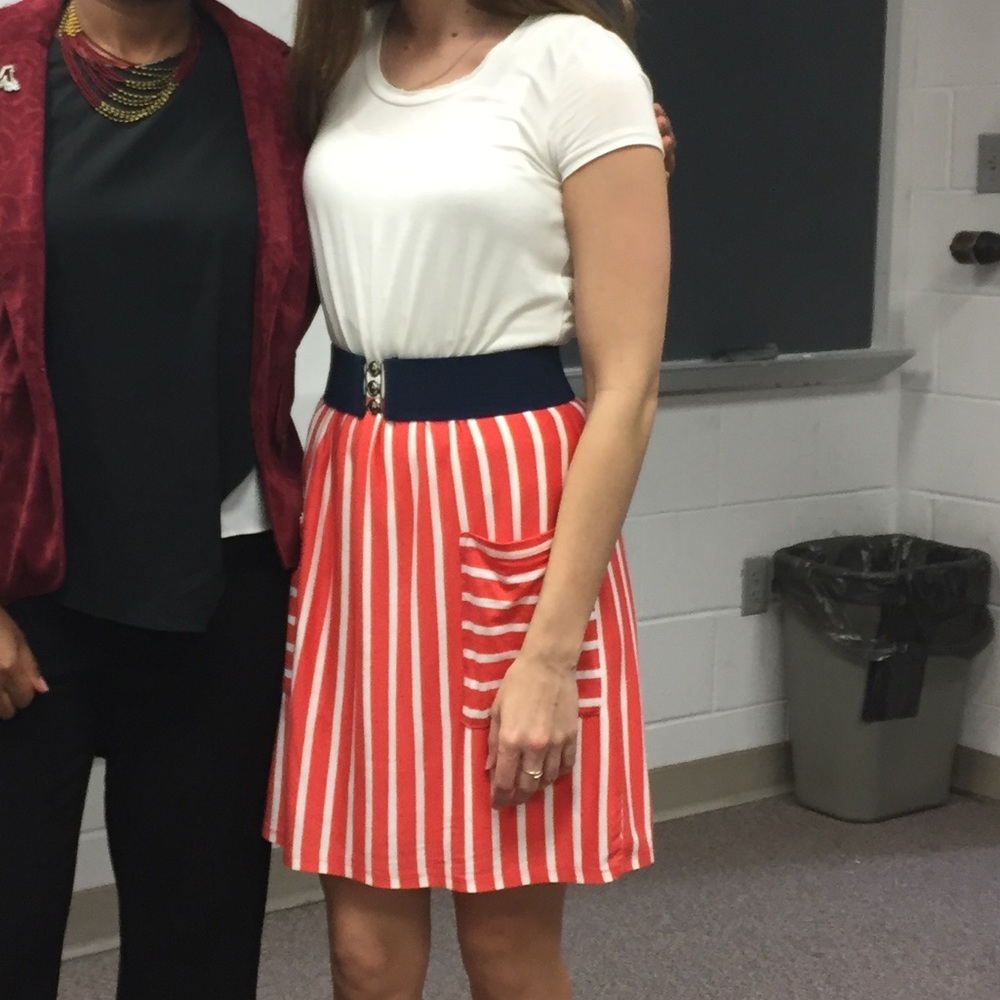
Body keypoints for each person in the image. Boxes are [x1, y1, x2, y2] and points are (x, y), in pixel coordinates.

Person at [0, 2, 673, 997]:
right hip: (277, 528)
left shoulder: (311, 77)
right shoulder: (334, 71)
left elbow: (613, 360)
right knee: (357, 951)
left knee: (477, 945)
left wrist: (624, 147)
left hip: (377, 533)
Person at [265, 0, 671, 997]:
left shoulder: (574, 63)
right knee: (364, 957)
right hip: (357, 494)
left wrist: (549, 655)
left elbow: (626, 391)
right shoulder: (340, 63)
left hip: (508, 498)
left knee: (504, 948)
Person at [0, 0, 315, 996]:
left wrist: (607, 144)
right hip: (24, 594)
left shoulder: (277, 84)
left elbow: (423, 184)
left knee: (199, 953)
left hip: (217, 587)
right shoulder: (5, 65)